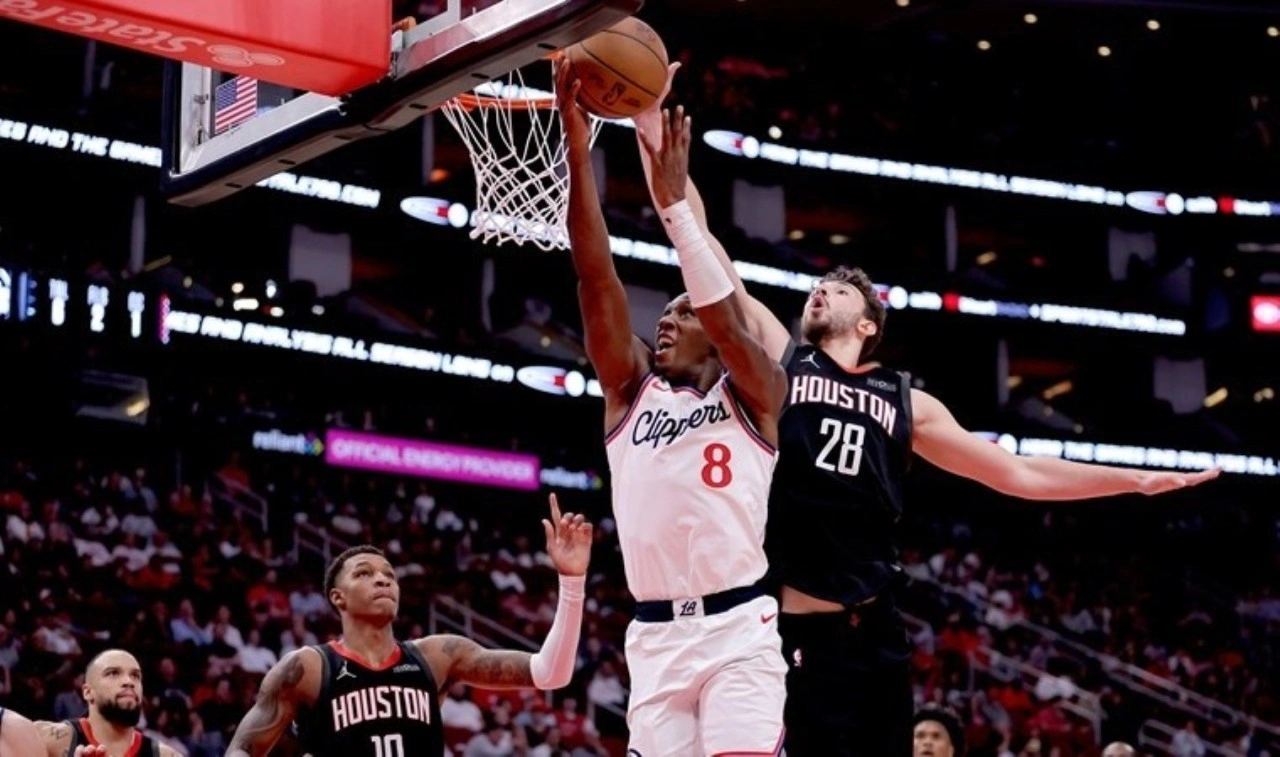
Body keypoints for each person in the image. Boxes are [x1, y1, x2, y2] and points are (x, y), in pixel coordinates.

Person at [628, 73, 1220, 757]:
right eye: (819, 285)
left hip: (875, 631)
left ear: (869, 325)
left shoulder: (906, 399)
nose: (821, 290)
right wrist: (648, 126)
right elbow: (698, 241)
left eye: (839, 289)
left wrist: (1133, 481)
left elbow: (1019, 472)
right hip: (791, 630)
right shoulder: (782, 362)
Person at [556, 56, 788, 756]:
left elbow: (730, 322)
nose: (665, 317)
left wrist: (680, 212)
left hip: (739, 630)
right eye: (667, 311)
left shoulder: (759, 393)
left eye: (683, 313)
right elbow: (595, 275)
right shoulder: (631, 390)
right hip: (655, 635)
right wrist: (577, 148)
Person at [225, 493, 592, 756]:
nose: (382, 579)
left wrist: (572, 580)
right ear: (338, 597)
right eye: (364, 573)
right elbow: (242, 749)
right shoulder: (306, 668)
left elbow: (551, 673)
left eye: (389, 574)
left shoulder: (437, 656)